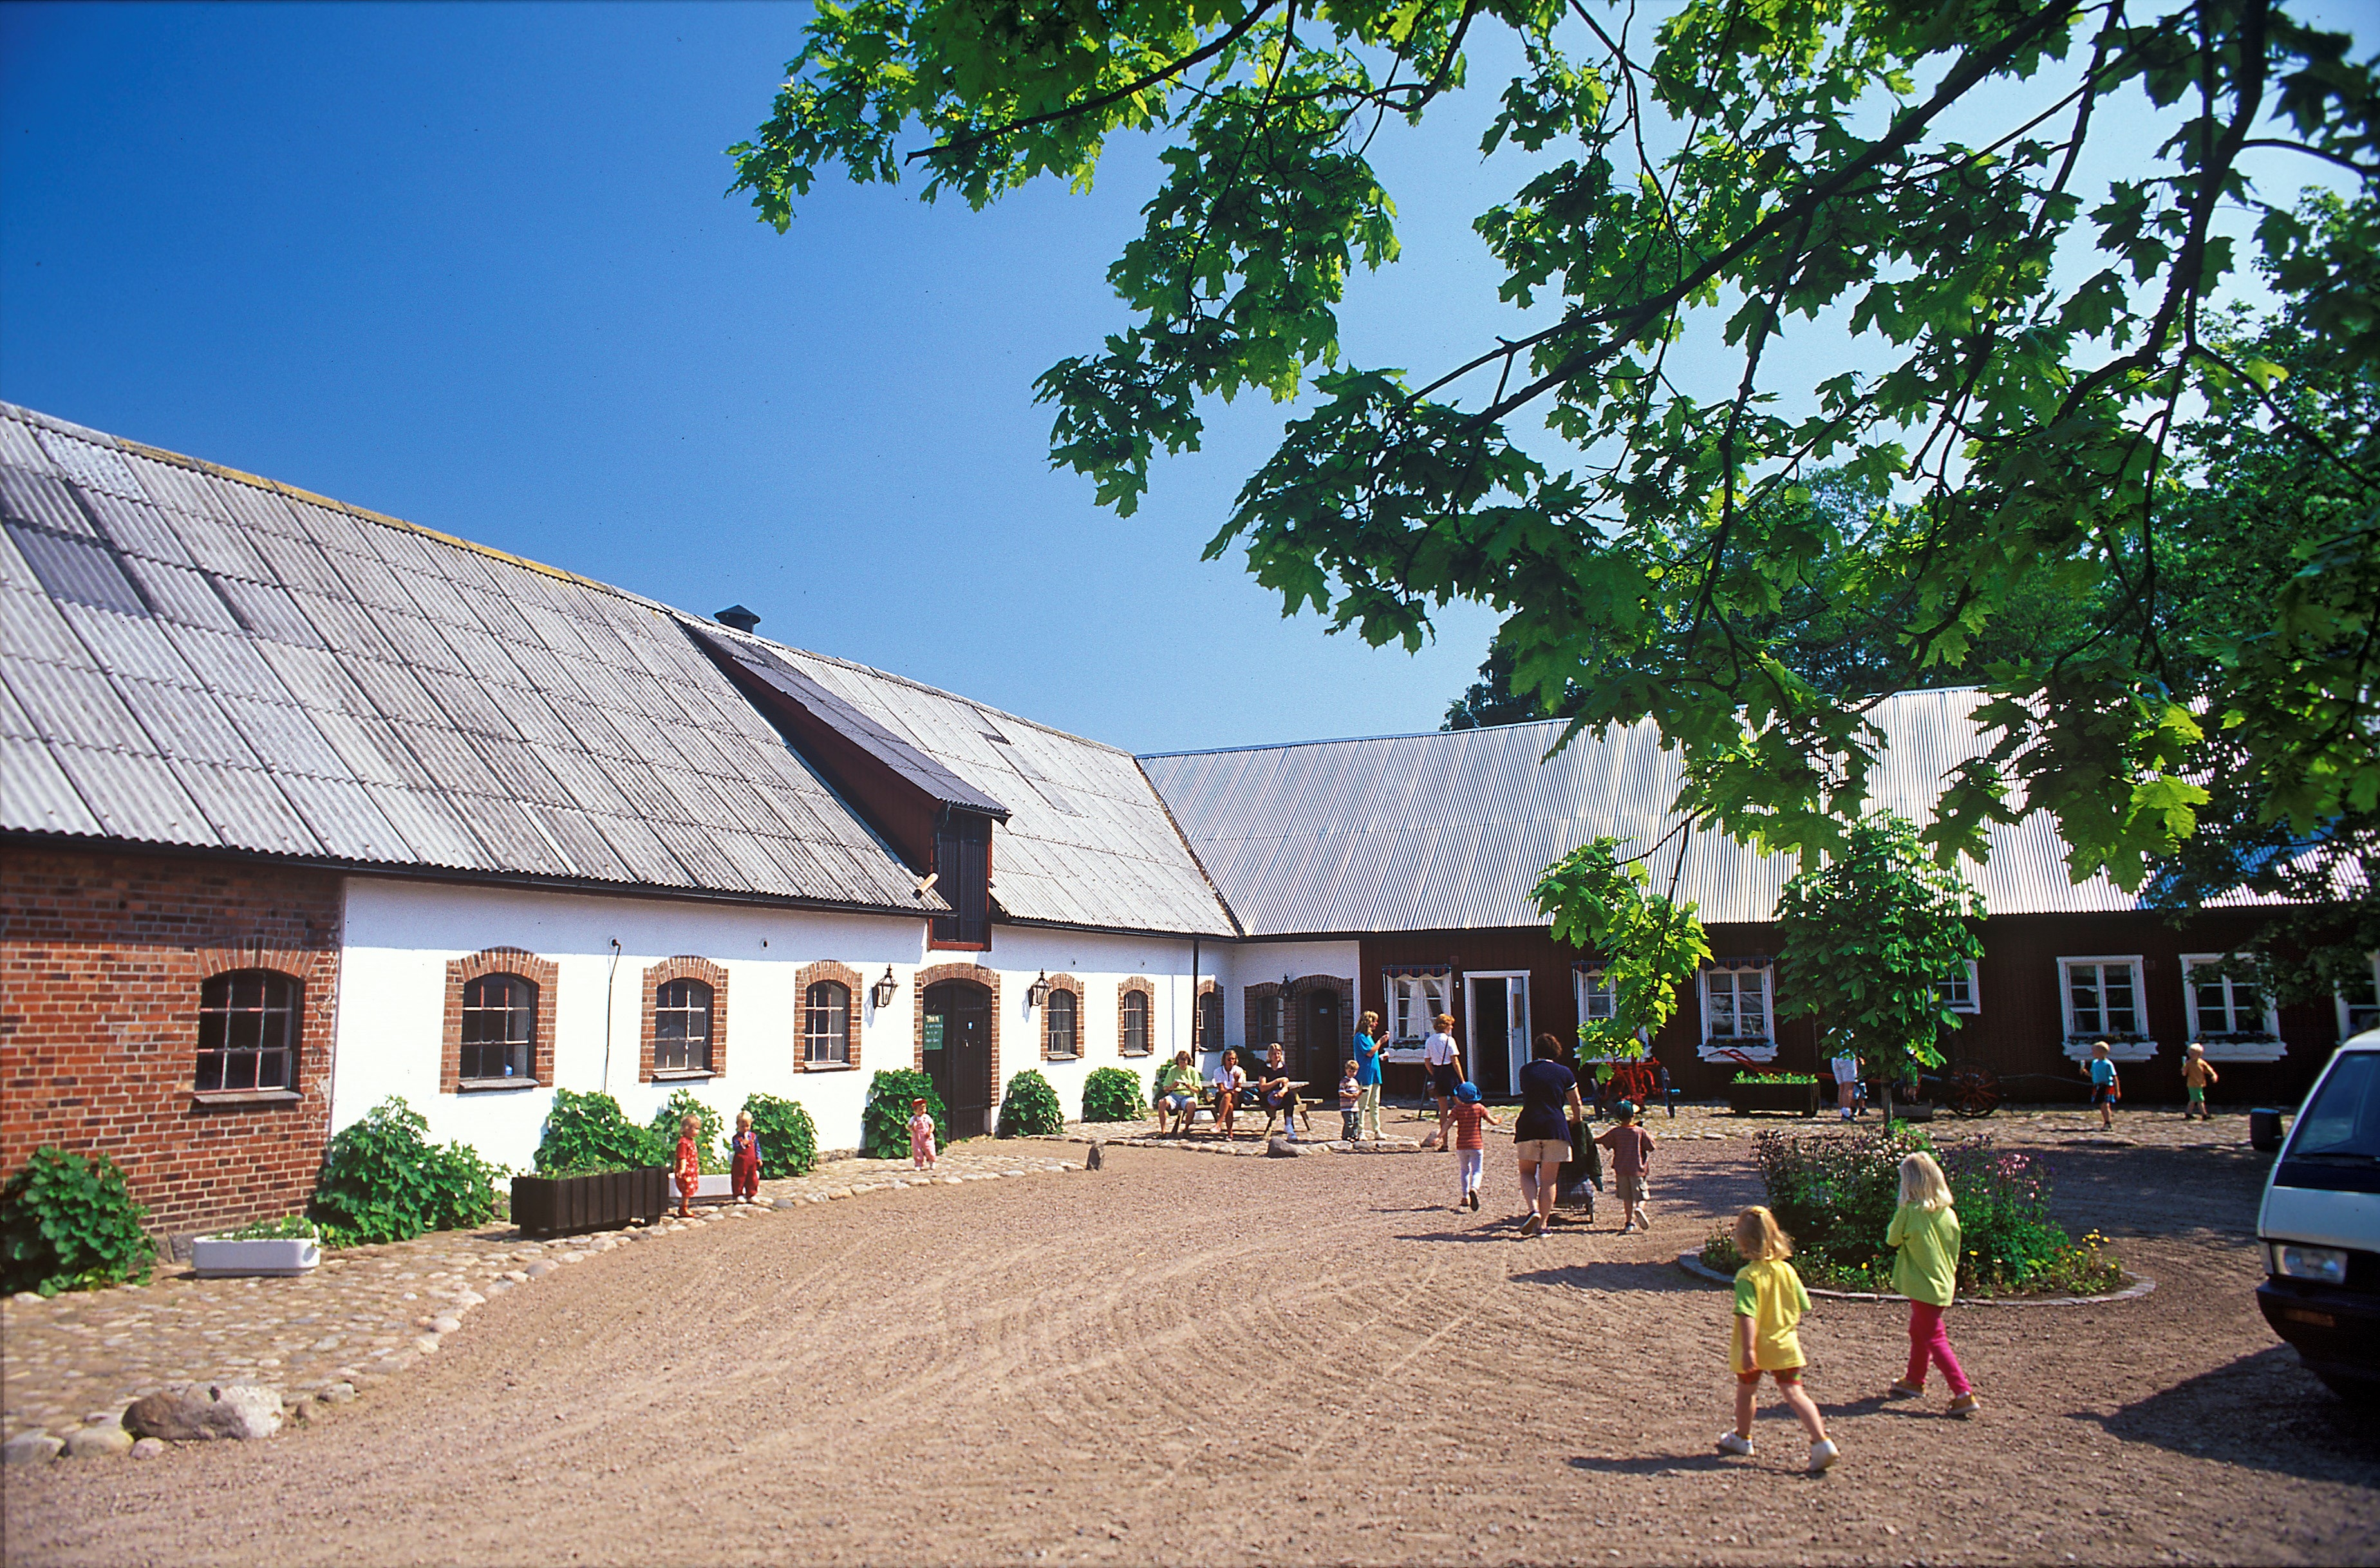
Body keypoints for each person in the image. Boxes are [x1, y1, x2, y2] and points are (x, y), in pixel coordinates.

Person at [1717, 1206, 1839, 1473]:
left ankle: (1742, 1437)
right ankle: (1821, 1441)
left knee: (1746, 1392)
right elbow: (1802, 1304)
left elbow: (1747, 1315)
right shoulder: (1787, 1271)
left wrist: (1749, 1349)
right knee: (1795, 1393)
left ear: (1743, 1240)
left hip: (1758, 1347)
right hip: (1785, 1343)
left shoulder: (1747, 1277)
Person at [1885, 1152, 1979, 1417]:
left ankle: (1962, 1392)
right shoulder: (1948, 1214)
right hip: (1942, 1282)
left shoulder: (1909, 1212)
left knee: (1935, 1339)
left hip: (1921, 1285)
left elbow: (1892, 1239)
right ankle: (1914, 1380)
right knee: (1920, 1332)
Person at [1513, 1033, 1584, 1237]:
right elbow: (1576, 1102)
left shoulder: (1525, 1071)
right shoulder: (1564, 1073)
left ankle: (1533, 1209)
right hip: (1555, 1126)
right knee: (1549, 1180)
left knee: (1526, 1172)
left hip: (1529, 1125)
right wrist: (1576, 1120)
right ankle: (1543, 1225)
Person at [1596, 1101, 1656, 1233]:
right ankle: (1640, 1209)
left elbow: (1603, 1140)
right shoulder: (1640, 1132)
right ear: (1633, 1116)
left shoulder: (1615, 1132)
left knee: (1627, 1198)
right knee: (1642, 1195)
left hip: (1621, 1170)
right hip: (1637, 1170)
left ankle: (1629, 1222)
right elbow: (1651, 1147)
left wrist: (1593, 1139)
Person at [1448, 1082, 1497, 1211]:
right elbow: (1493, 1122)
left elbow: (1447, 1124)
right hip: (1477, 1145)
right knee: (1477, 1171)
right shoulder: (1480, 1108)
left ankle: (1465, 1197)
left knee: (1465, 1170)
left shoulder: (1457, 1110)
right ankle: (1474, 1189)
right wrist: (1499, 1120)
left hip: (1461, 1145)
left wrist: (1439, 1136)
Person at [1422, 1014, 1463, 1151]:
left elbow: (1427, 1061)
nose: (1452, 1027)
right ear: (1446, 1026)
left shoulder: (1430, 1041)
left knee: (1443, 1111)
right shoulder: (1449, 1040)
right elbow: (1455, 1061)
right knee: (1461, 1106)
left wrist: (1434, 1073)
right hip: (1450, 1072)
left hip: (1438, 1072)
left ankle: (1444, 1143)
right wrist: (1462, 1079)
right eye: (1450, 1025)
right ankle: (1465, 1138)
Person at [1353, 1011, 1387, 1141]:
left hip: (1375, 1074)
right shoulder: (1360, 1037)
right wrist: (1381, 1042)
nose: (1376, 1024)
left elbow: (1373, 1055)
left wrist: (1382, 1056)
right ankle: (1360, 1131)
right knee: (1362, 1105)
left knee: (1375, 1104)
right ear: (1368, 1022)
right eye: (1374, 1021)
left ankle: (1377, 1130)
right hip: (1365, 1075)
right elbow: (1369, 1053)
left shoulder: (1368, 1037)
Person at [1257, 1043, 1302, 1139]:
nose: (1277, 1056)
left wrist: (1282, 1092)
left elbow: (1286, 1083)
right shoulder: (1264, 1067)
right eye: (1274, 1054)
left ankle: (1289, 1125)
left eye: (1279, 1053)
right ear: (1270, 1055)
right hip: (1266, 1097)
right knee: (1284, 1098)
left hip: (1279, 1096)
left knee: (1290, 1096)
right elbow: (1263, 1087)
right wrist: (1277, 1081)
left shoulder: (1283, 1068)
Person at [1155, 1050, 1201, 1136]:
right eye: (1180, 1062)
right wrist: (1173, 1086)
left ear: (1188, 1062)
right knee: (1162, 1102)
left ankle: (1186, 1129)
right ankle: (1163, 1131)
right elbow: (1166, 1089)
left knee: (1192, 1105)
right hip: (1175, 1095)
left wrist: (1189, 1087)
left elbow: (1198, 1090)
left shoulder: (1193, 1071)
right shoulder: (1173, 1070)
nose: (1182, 1064)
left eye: (1184, 1062)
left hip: (1188, 1095)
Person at [2085, 1040, 2121, 1130]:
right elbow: (2093, 1075)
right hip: (2097, 1086)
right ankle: (2106, 1121)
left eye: (2094, 1051)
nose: (2092, 1053)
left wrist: (2117, 1091)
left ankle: (2108, 1122)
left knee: (2105, 1104)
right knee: (2101, 1105)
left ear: (2101, 1052)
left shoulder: (2108, 1064)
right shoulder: (2095, 1063)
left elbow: (2114, 1077)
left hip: (2106, 1086)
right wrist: (2085, 1072)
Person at [1213, 1049, 1248, 1140]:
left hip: (1236, 1096)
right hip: (1222, 1097)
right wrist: (1229, 1092)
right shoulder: (1218, 1071)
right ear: (1224, 1060)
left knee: (1229, 1098)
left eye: (1233, 1059)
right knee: (1230, 1105)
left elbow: (1238, 1087)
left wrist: (1236, 1081)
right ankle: (1230, 1134)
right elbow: (1221, 1089)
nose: (1231, 1061)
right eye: (1229, 1059)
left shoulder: (1239, 1070)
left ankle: (1218, 1124)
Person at [728, 1110, 762, 1205]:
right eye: (742, 1126)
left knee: (752, 1178)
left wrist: (759, 1158)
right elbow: (736, 1148)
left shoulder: (753, 1137)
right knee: (739, 1178)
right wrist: (743, 1144)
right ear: (738, 1126)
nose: (745, 1129)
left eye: (747, 1126)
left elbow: (757, 1148)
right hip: (740, 1163)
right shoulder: (736, 1138)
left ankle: (751, 1194)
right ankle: (738, 1194)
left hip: (752, 1162)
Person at [2182, 1043, 2219, 1122]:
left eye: (2193, 1054)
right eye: (2190, 1054)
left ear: (2199, 1054)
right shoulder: (2189, 1063)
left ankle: (2188, 1113)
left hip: (2199, 1084)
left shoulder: (2201, 1062)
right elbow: (2184, 1073)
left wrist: (2213, 1075)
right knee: (2200, 1099)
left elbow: (2208, 1069)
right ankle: (2204, 1114)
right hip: (2192, 1084)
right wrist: (2184, 1069)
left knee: (2193, 1100)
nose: (2191, 1055)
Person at [673, 1112, 701, 1218]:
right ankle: (684, 1208)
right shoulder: (683, 1143)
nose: (697, 1132)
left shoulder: (690, 1141)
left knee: (689, 1189)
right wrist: (683, 1168)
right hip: (686, 1171)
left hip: (691, 1170)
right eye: (695, 1129)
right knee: (686, 1190)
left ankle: (683, 1207)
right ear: (687, 1129)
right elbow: (682, 1157)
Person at [1830, 1047, 1861, 1121]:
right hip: (1847, 1056)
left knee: (1841, 1087)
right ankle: (1846, 1113)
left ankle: (1843, 1112)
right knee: (1849, 1087)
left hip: (1835, 1057)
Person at [908, 1096, 938, 1171]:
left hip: (926, 1136)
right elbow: (908, 1126)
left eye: (924, 1109)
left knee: (929, 1149)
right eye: (920, 1110)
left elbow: (932, 1125)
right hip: (916, 1137)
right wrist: (912, 1128)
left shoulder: (927, 1118)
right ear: (915, 1110)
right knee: (917, 1150)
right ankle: (918, 1164)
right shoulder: (913, 1119)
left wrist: (930, 1131)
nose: (923, 1111)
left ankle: (932, 1161)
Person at [1338, 1059, 1362, 1143]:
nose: (1352, 1073)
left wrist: (1359, 1094)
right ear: (1346, 1070)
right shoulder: (1344, 1081)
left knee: (1356, 1121)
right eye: (1350, 1071)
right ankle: (1345, 1136)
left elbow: (1356, 1092)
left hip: (1355, 1106)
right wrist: (1351, 1096)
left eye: (1354, 1071)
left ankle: (1354, 1135)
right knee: (1349, 1122)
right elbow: (1341, 1093)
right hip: (1346, 1107)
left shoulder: (1355, 1081)